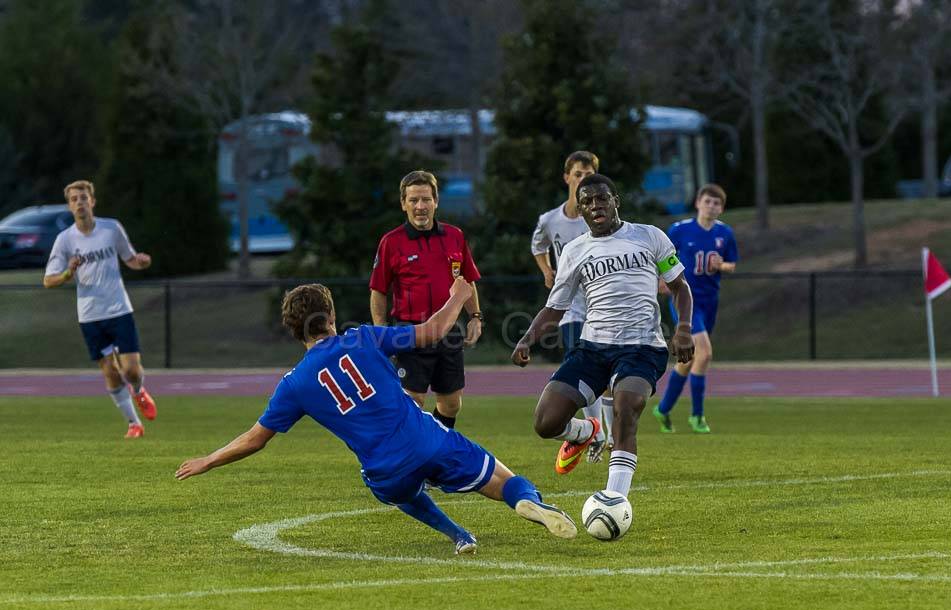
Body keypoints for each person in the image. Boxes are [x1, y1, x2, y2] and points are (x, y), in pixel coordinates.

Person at [176, 279, 576, 555]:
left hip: (384, 470)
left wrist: (207, 460)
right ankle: (527, 502)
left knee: (402, 492)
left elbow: (255, 438)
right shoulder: (364, 337)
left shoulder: (293, 384)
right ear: (330, 316)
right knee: (504, 479)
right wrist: (458, 296)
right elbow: (433, 330)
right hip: (426, 440)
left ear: (294, 331)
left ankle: (458, 535)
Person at [512, 174, 695, 498]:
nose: (595, 206)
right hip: (593, 348)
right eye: (587, 202)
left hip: (642, 347)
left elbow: (680, 287)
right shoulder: (574, 250)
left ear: (615, 201)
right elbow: (555, 308)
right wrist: (527, 338)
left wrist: (683, 329)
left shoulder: (650, 236)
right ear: (580, 211)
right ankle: (585, 431)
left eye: (601, 198)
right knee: (545, 423)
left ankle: (614, 499)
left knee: (627, 406)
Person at [43, 180, 157, 439]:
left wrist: (141, 262)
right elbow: (48, 280)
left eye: (83, 197)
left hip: (118, 309)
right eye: (74, 199)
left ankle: (139, 391)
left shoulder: (111, 229)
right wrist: (67, 272)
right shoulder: (65, 240)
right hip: (90, 315)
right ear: (69, 206)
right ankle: (133, 424)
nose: (79, 203)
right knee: (110, 372)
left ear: (92, 201)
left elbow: (130, 259)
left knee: (130, 371)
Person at [369, 170, 482, 430]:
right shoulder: (391, 242)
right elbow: (378, 291)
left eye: (426, 199)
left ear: (436, 201)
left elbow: (467, 280)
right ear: (403, 204)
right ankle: (409, 460)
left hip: (449, 332)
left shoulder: (455, 236)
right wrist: (381, 335)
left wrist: (476, 316)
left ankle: (437, 454)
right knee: (412, 401)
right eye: (413, 200)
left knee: (451, 404)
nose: (420, 207)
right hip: (409, 333)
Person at [530, 150, 614, 463]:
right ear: (567, 177)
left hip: (601, 304)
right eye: (577, 174)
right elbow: (538, 246)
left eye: (588, 174)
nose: (582, 180)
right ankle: (599, 433)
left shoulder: (599, 217)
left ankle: (606, 432)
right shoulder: (550, 221)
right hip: (570, 307)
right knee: (579, 362)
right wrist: (547, 271)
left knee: (604, 372)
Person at [653, 183, 739, 434]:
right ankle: (697, 416)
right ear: (698, 203)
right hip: (685, 300)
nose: (711, 206)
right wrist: (662, 278)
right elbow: (662, 255)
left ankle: (664, 408)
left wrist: (721, 265)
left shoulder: (725, 233)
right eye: (707, 201)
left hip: (710, 300)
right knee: (705, 354)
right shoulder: (680, 230)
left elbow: (732, 264)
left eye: (716, 203)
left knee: (689, 359)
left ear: (721, 208)